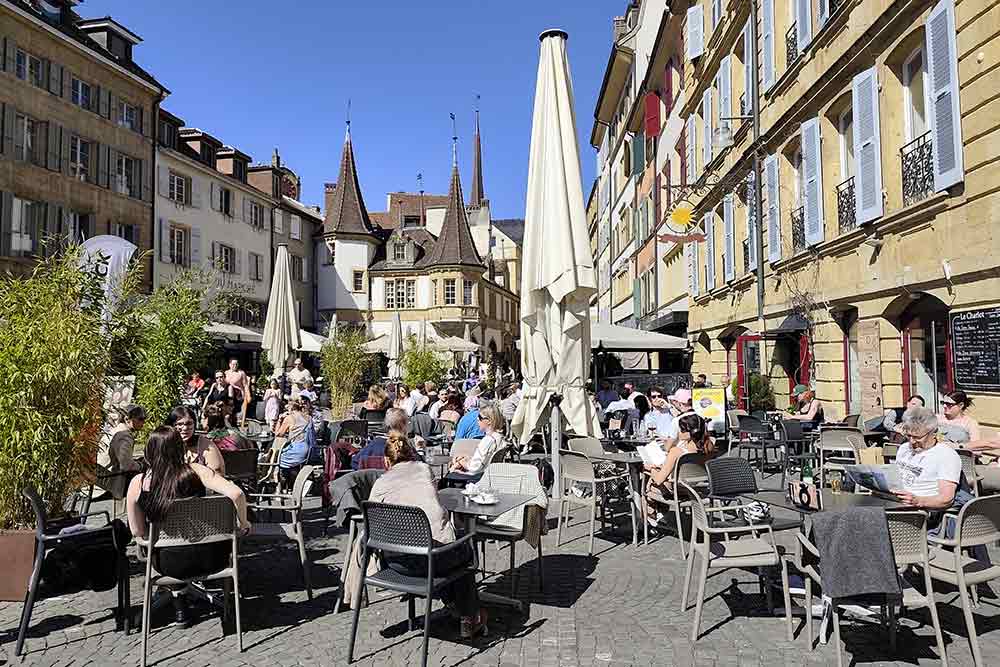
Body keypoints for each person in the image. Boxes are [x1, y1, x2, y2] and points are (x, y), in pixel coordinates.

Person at [126, 426, 250, 626]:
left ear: (149, 450)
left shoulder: (138, 483)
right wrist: (243, 524)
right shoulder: (197, 471)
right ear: (180, 448)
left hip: (168, 563)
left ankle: (179, 600)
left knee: (160, 547)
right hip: (212, 557)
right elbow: (237, 494)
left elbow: (138, 532)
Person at [367, 431, 487, 637]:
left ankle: (454, 604)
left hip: (397, 561)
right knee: (464, 548)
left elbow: (371, 525)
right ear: (411, 454)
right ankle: (469, 616)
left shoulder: (380, 484)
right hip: (430, 562)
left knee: (446, 550)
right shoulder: (424, 470)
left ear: (386, 460)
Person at [644, 414, 716, 524]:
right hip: (700, 488)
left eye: (681, 430)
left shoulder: (677, 451)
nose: (678, 432)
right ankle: (659, 514)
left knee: (647, 485)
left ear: (689, 432)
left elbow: (659, 480)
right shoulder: (710, 445)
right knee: (656, 478)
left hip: (679, 489)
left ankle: (649, 518)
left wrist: (650, 468)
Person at [892, 407, 962, 513]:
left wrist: (918, 501)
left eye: (917, 437)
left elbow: (946, 499)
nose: (912, 442)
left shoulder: (946, 455)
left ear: (934, 433)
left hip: (921, 511)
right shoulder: (904, 448)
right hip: (895, 503)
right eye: (908, 436)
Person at [449, 404, 505, 478]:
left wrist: (461, 462)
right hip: (489, 474)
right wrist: (466, 459)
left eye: (480, 417)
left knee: (451, 471)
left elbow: (474, 468)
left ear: (489, 421)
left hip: (477, 477)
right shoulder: (499, 437)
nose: (477, 419)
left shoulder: (487, 440)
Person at [165, 406, 225, 475]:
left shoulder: (206, 445)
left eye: (189, 423)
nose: (185, 428)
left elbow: (217, 474)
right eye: (179, 424)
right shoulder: (166, 443)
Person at [274, 398, 312, 488]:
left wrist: (280, 420)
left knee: (277, 459)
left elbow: (278, 434)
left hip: (296, 450)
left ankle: (281, 485)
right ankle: (293, 481)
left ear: (290, 407)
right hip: (308, 450)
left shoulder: (290, 418)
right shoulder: (309, 417)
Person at [108, 404, 146, 473]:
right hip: (110, 479)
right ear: (127, 419)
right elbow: (126, 466)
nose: (143, 422)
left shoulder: (114, 431)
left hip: (102, 476)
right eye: (140, 419)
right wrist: (141, 466)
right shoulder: (124, 436)